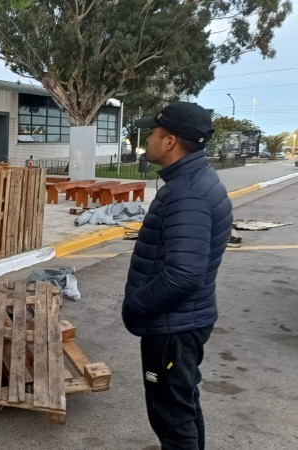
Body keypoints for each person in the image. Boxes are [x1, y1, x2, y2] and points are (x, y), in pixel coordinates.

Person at [124, 102, 232, 450]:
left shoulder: (187, 193)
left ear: (170, 142)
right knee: (181, 405)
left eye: (152, 134)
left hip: (173, 327)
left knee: (171, 416)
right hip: (184, 321)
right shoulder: (194, 181)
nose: (147, 142)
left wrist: (136, 307)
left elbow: (183, 275)